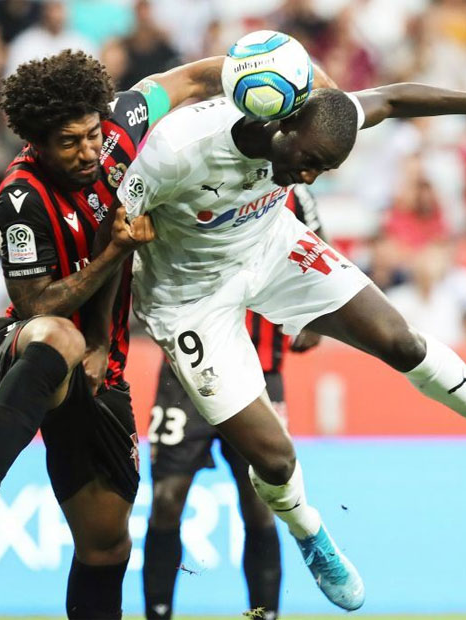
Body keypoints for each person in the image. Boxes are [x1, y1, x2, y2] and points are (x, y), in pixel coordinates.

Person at [116, 72, 466, 611]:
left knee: (399, 340)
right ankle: (311, 532)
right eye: (310, 161)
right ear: (281, 124)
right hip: (189, 300)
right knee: (273, 460)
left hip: (271, 250)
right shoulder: (177, 150)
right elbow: (111, 225)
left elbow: (393, 97)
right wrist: (105, 326)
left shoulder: (317, 121)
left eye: (325, 170)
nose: (310, 177)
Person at [0, 50, 248, 620]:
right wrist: (117, 250)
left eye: (93, 134)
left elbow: (192, 77)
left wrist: (291, 78)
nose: (90, 150)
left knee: (107, 545)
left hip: (104, 374)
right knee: (59, 338)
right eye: (70, 142)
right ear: (36, 142)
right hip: (26, 351)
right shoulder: (20, 198)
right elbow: (34, 303)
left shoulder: (121, 125)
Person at [143, 186, 322, 620]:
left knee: (261, 505)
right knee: (167, 498)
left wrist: (311, 318)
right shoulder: (189, 174)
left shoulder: (295, 191)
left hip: (260, 376)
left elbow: (319, 261)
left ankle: (265, 616)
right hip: (186, 373)